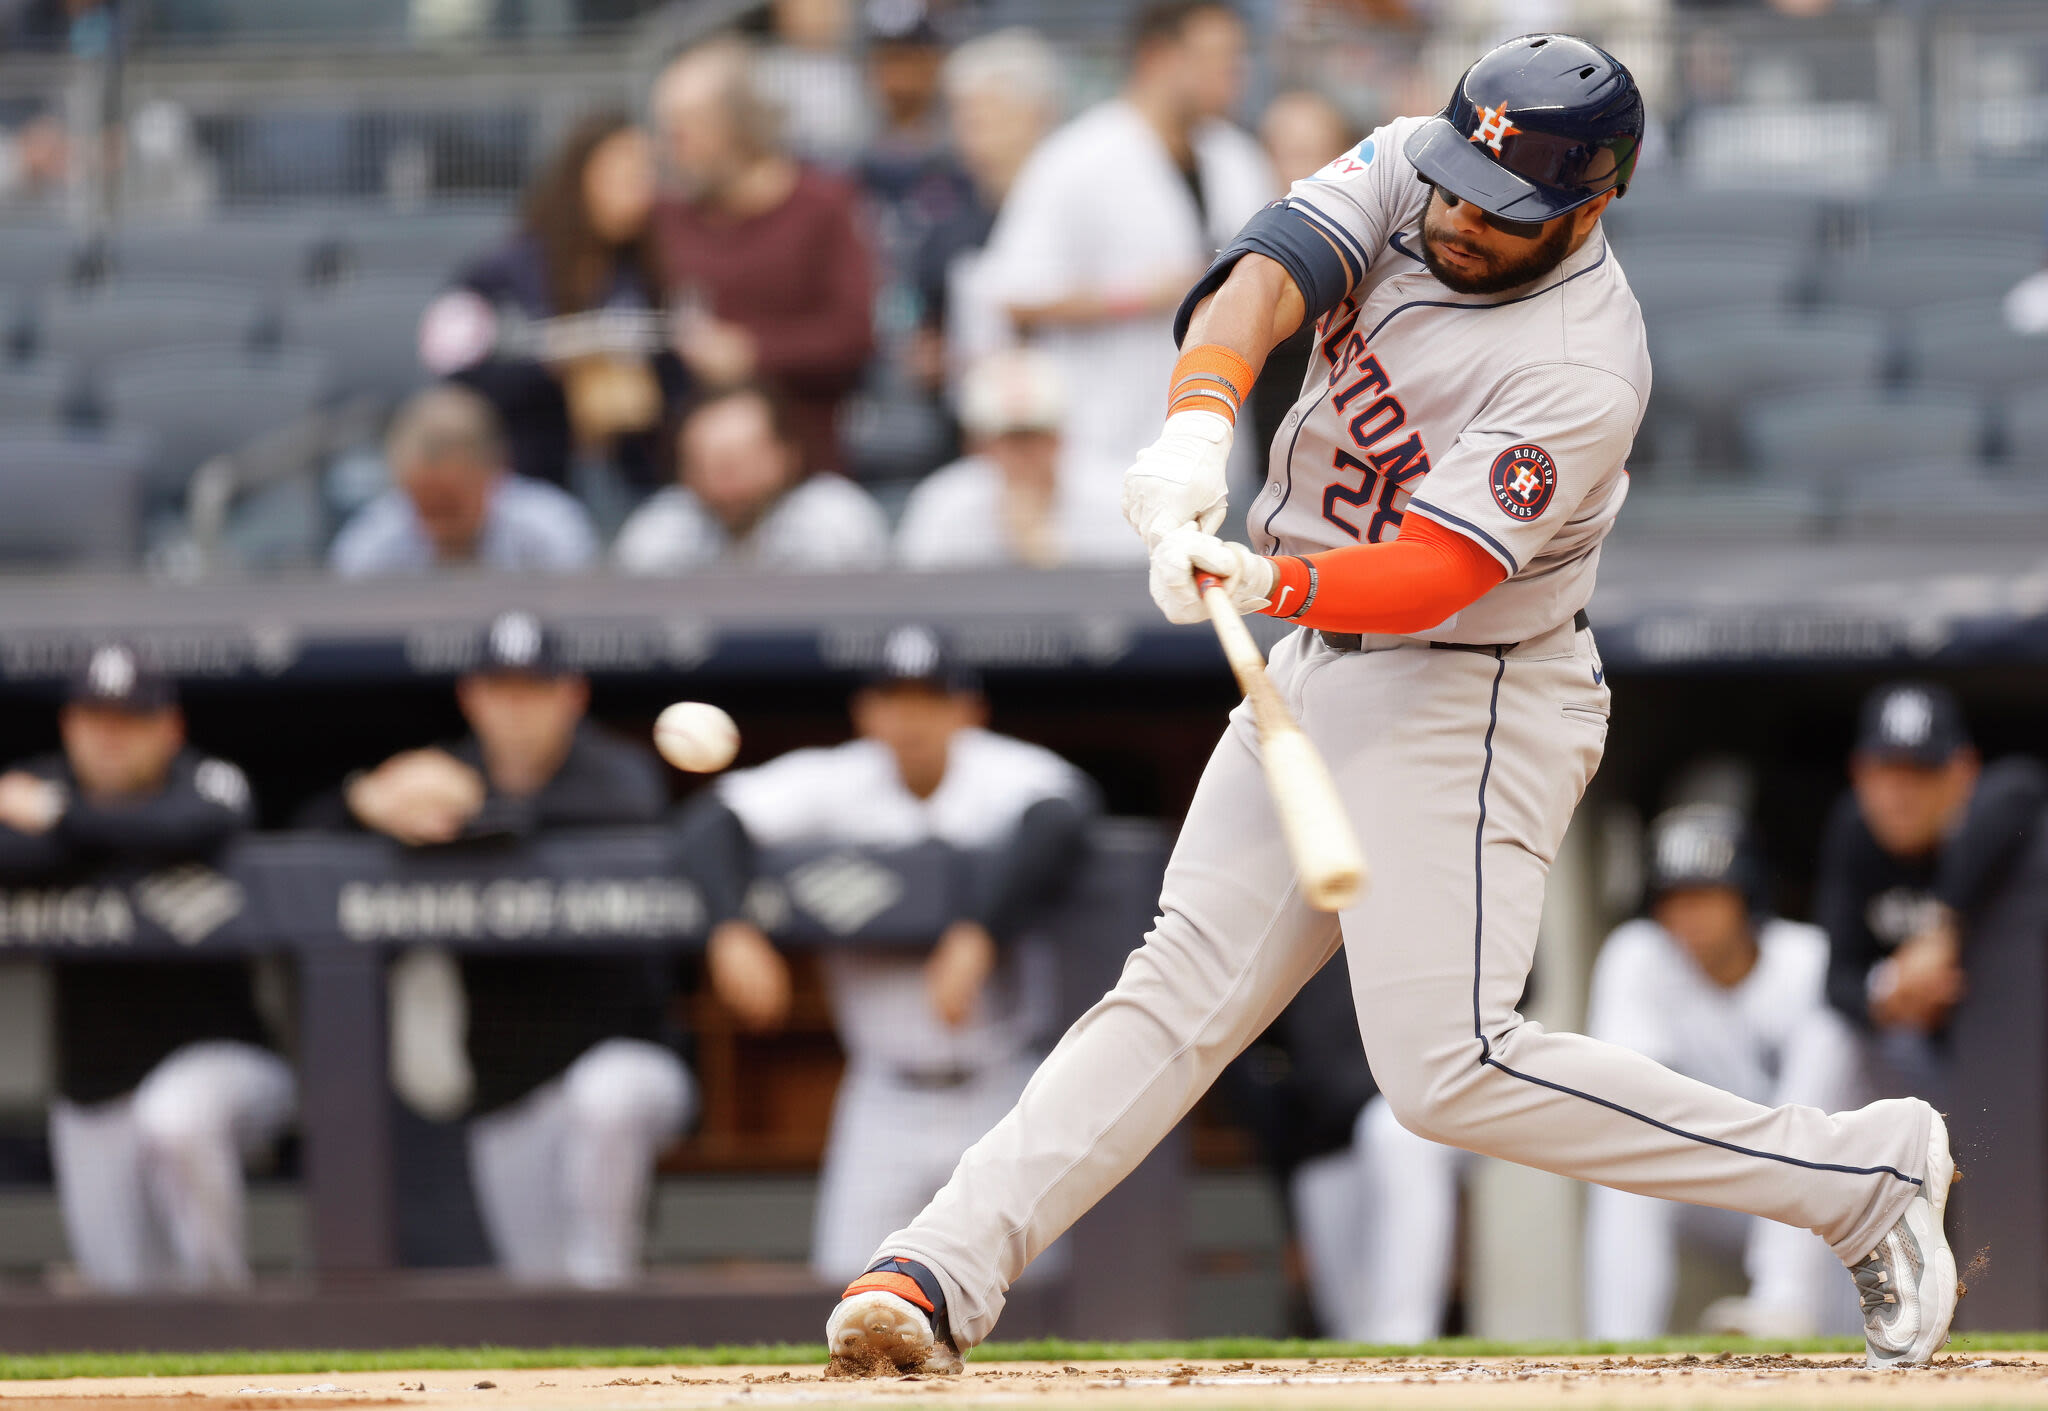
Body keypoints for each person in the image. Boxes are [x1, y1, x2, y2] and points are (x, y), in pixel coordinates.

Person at [824, 34, 1956, 1378]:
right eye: (1459, 187)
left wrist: (1266, 572)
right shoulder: (1419, 155)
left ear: (1595, 204)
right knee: (1176, 982)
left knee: (1449, 1066)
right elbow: (1264, 276)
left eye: (1508, 208)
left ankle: (1863, 1173)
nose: (1465, 220)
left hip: (1472, 683)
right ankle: (942, 1266)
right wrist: (1196, 423)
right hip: (1316, 646)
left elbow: (1437, 574)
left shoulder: (1583, 366)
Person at [692, 625, 1096, 1281]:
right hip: (881, 1093)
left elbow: (1065, 814)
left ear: (968, 710)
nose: (911, 719)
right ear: (867, 712)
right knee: (847, 1290)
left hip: (1001, 1085)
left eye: (931, 699)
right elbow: (709, 820)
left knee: (1033, 1292)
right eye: (895, 699)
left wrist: (976, 933)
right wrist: (732, 928)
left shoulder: (1001, 771)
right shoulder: (837, 779)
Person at [309, 611, 691, 1286]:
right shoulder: (439, 772)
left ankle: (619, 1309)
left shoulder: (614, 772)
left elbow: (624, 808)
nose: (516, 709)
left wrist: (476, 809)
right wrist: (369, 799)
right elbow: (312, 836)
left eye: (534, 689)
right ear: (471, 696)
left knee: (605, 1111)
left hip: (627, 1059)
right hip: (506, 1083)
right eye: (501, 689)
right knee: (540, 1288)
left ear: (570, 694)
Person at [0, 645, 284, 1292]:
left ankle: (225, 1308)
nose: (110, 737)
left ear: (169, 727)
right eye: (95, 718)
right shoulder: (44, 784)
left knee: (177, 1115)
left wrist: (64, 822)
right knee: (121, 1296)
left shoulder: (203, 777)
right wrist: (78, 826)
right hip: (94, 1089)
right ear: (69, 725)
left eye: (130, 719)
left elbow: (196, 822)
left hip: (228, 1064)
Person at [975, 0, 1275, 530]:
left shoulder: (1237, 158)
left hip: (1219, 446)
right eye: (1216, 59)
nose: (1234, 75)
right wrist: (1136, 297)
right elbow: (1014, 291)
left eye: (1236, 59)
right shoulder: (1078, 157)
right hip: (1103, 446)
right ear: (1159, 58)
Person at [419, 111, 687, 495]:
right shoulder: (506, 271)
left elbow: (674, 382)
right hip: (529, 476)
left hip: (635, 478)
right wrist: (555, 362)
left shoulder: (648, 272)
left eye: (647, 174)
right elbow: (455, 368)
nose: (640, 188)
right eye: (625, 173)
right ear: (580, 177)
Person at [653, 36, 876, 477]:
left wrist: (753, 351)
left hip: (804, 468)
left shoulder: (823, 205)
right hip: (691, 477)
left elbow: (854, 335)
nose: (670, 145)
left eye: (685, 127)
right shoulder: (668, 214)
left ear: (736, 125)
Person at [1816, 681, 2048, 1099]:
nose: (1901, 794)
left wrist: (1940, 929)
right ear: (1859, 773)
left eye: (1921, 771)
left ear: (1964, 770)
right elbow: (1838, 981)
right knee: (1829, 1034)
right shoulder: (1853, 829)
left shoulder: (1988, 828)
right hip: (1908, 1044)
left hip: (2003, 1044)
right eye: (1887, 770)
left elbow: (2023, 784)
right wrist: (1892, 994)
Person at [911, 27, 1063, 392]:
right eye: (962, 117)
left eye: (986, 116)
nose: (969, 133)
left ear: (1038, 116)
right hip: (973, 421)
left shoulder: (1077, 213)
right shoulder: (949, 225)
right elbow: (930, 331)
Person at [896, 348, 1141, 570]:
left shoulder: (1118, 500)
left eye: (1036, 436)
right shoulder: (945, 505)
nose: (1024, 454)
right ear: (978, 445)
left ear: (1059, 438)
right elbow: (914, 602)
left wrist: (1045, 549)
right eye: (1010, 439)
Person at [613, 383, 889, 574]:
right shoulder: (660, 529)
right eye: (702, 464)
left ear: (787, 455)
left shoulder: (836, 519)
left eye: (735, 462)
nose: (720, 480)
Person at [329, 384, 598, 577]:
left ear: (495, 476)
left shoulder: (551, 531)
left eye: (448, 501)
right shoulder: (371, 548)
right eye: (424, 501)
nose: (439, 520)